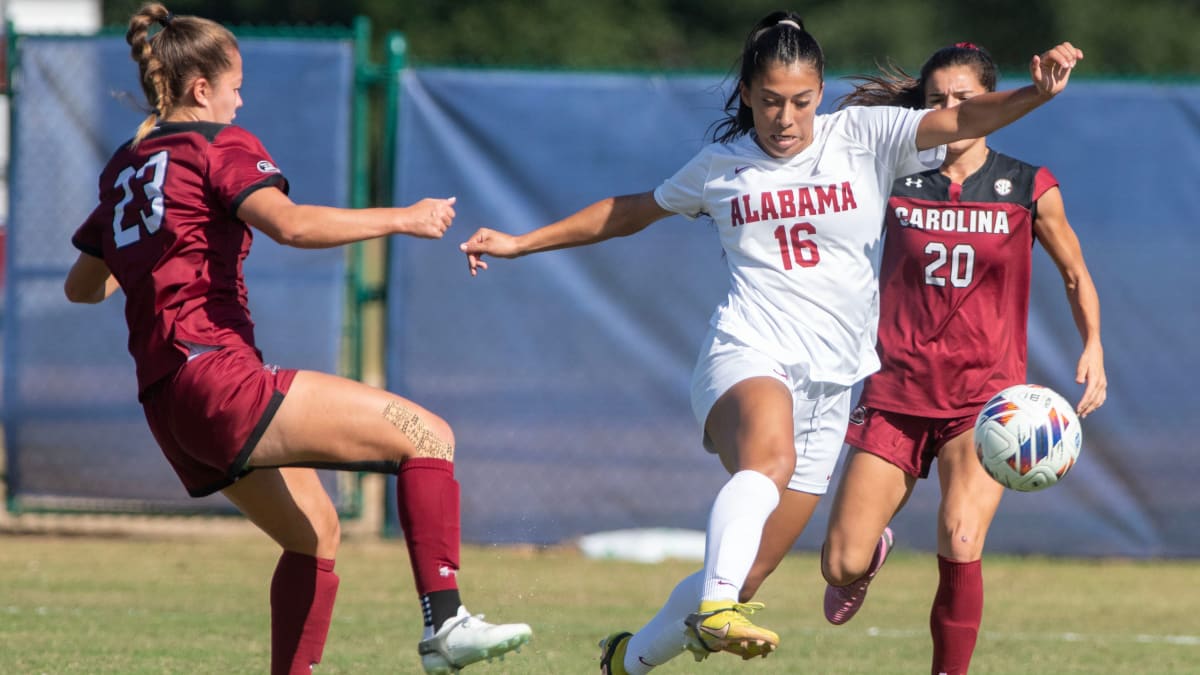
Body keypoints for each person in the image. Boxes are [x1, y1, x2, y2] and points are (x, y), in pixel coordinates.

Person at [458, 10, 1082, 673]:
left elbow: (963, 121)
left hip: (832, 383)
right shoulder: (722, 166)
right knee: (768, 461)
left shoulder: (864, 135)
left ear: (819, 95)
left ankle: (628, 661)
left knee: (748, 570)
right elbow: (629, 210)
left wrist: (1034, 94)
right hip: (747, 351)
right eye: (769, 102)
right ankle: (720, 606)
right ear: (748, 97)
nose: (785, 118)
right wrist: (522, 241)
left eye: (801, 101)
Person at [63, 5, 531, 674]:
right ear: (202, 88)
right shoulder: (216, 144)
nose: (240, 98)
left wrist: (151, 262)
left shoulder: (126, 166)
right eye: (235, 84)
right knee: (429, 436)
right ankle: (447, 622)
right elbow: (293, 225)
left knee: (315, 532)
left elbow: (81, 286)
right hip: (216, 378)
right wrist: (406, 217)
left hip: (167, 406)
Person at [815, 42, 1106, 675]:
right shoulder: (891, 176)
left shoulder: (1029, 185)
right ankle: (870, 555)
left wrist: (1094, 347)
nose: (950, 109)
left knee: (962, 537)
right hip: (894, 394)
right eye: (937, 100)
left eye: (964, 99)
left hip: (983, 404)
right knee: (839, 563)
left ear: (991, 102)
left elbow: (1076, 273)